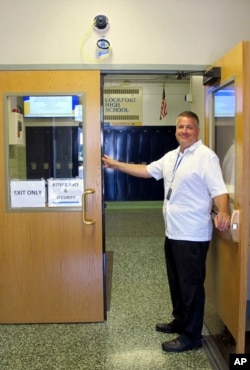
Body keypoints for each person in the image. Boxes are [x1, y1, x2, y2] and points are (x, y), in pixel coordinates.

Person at [102, 111, 230, 353]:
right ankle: (180, 321)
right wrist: (115, 165)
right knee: (176, 283)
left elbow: (219, 190)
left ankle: (192, 336)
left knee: (191, 287)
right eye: (180, 127)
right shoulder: (172, 156)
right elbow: (147, 171)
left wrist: (223, 211)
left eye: (189, 127)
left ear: (197, 131)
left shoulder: (206, 157)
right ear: (175, 130)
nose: (184, 131)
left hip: (192, 234)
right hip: (173, 232)